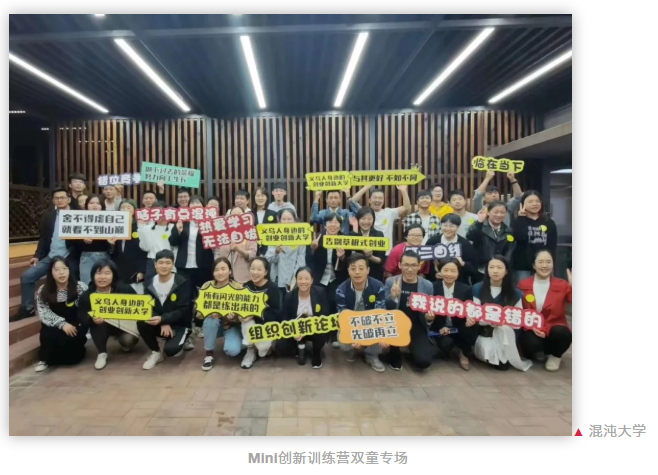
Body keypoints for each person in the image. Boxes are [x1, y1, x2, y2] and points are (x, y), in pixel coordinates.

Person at [14, 187, 72, 321]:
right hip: (51, 256)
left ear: (68, 199)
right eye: (56, 198)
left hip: (69, 257)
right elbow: (44, 239)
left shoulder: (78, 214)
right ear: (53, 200)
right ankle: (28, 308)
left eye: (62, 197)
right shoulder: (48, 216)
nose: (59, 200)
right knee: (27, 276)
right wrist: (37, 256)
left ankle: (70, 311)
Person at [77, 259, 140, 370]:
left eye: (107, 273)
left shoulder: (124, 289)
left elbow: (138, 307)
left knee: (128, 341)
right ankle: (102, 353)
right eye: (99, 273)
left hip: (122, 325)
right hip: (100, 326)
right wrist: (92, 319)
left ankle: (122, 340)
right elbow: (82, 315)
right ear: (93, 275)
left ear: (113, 275)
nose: (102, 277)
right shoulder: (87, 295)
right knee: (98, 323)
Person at [472, 256, 532, 371]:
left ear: (506, 271)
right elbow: (477, 318)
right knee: (493, 357)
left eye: (499, 268)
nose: (495, 271)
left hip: (506, 334)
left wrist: (502, 322)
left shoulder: (516, 293)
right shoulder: (477, 288)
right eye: (491, 267)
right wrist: (492, 320)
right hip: (486, 333)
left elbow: (518, 321)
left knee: (503, 360)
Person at [137, 250, 192, 370]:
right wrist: (162, 321)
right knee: (142, 321)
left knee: (172, 351)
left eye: (168, 263)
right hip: (159, 321)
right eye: (161, 263)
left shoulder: (182, 282)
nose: (164, 266)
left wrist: (163, 319)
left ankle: (184, 339)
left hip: (179, 324)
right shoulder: (149, 282)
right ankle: (156, 352)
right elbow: (147, 306)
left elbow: (183, 309)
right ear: (155, 264)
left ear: (173, 264)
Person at [518, 250, 572, 372]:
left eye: (548, 262)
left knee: (562, 333)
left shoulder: (562, 285)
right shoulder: (523, 284)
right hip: (532, 326)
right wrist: (531, 327)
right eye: (541, 262)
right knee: (528, 342)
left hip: (555, 326)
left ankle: (555, 355)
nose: (544, 265)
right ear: (534, 265)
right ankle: (540, 351)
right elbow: (519, 310)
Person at [33, 257, 89, 372]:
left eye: (64, 268)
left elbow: (86, 308)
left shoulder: (80, 287)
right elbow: (44, 312)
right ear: (51, 272)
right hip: (54, 325)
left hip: (74, 326)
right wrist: (62, 324)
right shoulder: (43, 290)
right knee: (47, 334)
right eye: (57, 269)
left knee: (73, 357)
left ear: (69, 270)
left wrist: (79, 324)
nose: (61, 272)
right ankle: (44, 360)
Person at [169, 195, 214, 337]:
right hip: (184, 267)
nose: (195, 207)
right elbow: (172, 241)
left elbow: (215, 243)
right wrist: (178, 231)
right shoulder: (182, 222)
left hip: (203, 266)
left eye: (198, 205)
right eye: (192, 205)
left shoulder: (209, 223)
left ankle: (200, 325)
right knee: (185, 299)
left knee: (203, 297)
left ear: (203, 208)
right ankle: (186, 328)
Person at [336, 253, 387, 372]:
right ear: (348, 271)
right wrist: (356, 335)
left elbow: (380, 314)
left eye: (361, 268)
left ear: (368, 270)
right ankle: (352, 349)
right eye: (353, 268)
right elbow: (343, 317)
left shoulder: (378, 286)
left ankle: (372, 355)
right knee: (343, 340)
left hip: (371, 324)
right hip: (352, 325)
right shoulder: (341, 290)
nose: (357, 272)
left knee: (381, 332)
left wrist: (368, 335)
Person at [384, 250, 435, 371]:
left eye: (413, 265)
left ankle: (411, 349)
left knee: (423, 362)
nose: (410, 269)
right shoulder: (391, 281)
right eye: (406, 265)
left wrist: (429, 319)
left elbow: (428, 312)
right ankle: (394, 350)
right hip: (396, 325)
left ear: (419, 266)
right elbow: (386, 308)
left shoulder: (427, 285)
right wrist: (393, 297)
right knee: (395, 361)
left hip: (417, 325)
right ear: (400, 265)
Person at [200, 258, 250, 370]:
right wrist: (209, 313)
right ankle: (209, 355)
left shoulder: (238, 288)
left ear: (230, 271)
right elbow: (198, 311)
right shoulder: (207, 286)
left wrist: (234, 316)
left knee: (232, 351)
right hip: (214, 325)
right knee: (210, 320)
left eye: (223, 269)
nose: (220, 272)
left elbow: (244, 313)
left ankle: (244, 344)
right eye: (216, 270)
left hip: (231, 326)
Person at [307, 213, 348, 348]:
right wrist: (312, 250)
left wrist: (342, 257)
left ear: (340, 226)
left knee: (333, 301)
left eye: (336, 222)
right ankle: (320, 333)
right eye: (330, 222)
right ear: (325, 225)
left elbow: (349, 263)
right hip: (319, 278)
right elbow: (309, 261)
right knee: (319, 303)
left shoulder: (345, 239)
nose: (333, 225)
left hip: (336, 278)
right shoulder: (317, 238)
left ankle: (334, 333)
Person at [431, 258, 479, 371]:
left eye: (453, 271)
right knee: (443, 348)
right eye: (446, 270)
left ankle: (464, 353)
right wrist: (440, 327)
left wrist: (469, 320)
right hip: (440, 326)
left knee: (471, 326)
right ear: (440, 271)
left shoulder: (466, 289)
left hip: (459, 326)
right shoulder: (433, 287)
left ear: (458, 273)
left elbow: (470, 310)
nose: (449, 274)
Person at [278, 267, 330, 369]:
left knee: (323, 331)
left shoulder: (320, 292)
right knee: (281, 345)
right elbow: (284, 318)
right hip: (296, 328)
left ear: (312, 280)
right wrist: (293, 332)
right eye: (300, 278)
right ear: (296, 280)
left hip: (314, 328)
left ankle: (316, 352)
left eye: (307, 278)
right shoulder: (289, 296)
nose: (303, 282)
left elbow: (325, 315)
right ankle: (298, 346)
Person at [511, 190, 558, 285]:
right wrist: (521, 218)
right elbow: (520, 237)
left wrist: (550, 263)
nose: (535, 204)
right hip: (523, 266)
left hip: (543, 264)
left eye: (537, 201)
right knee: (523, 290)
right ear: (522, 204)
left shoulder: (549, 222)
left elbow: (552, 246)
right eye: (530, 201)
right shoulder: (517, 221)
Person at [350, 185, 411, 255]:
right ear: (369, 200)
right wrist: (367, 186)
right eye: (375, 198)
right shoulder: (364, 212)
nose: (377, 200)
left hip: (386, 253)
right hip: (366, 252)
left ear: (383, 201)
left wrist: (403, 191)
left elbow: (407, 207)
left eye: (380, 198)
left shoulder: (389, 212)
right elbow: (352, 201)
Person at [67, 194, 112, 285]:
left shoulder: (110, 219)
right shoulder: (79, 219)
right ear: (86, 205)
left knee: (104, 283)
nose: (95, 205)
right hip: (86, 256)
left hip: (104, 256)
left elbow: (113, 247)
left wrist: (111, 243)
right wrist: (83, 241)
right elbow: (72, 243)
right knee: (86, 284)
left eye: (98, 203)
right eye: (91, 203)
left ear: (102, 206)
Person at [467, 201, 515, 283]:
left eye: (502, 212)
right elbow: (471, 236)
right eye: (496, 212)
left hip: (500, 270)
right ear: (488, 212)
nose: (499, 215)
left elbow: (510, 251)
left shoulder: (509, 230)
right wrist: (479, 222)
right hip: (481, 269)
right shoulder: (480, 226)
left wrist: (504, 267)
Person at [265, 209, 306, 300]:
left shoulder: (300, 237)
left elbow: (301, 261)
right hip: (277, 279)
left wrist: (294, 279)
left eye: (289, 219)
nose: (286, 222)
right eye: (284, 219)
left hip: (294, 279)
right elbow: (268, 259)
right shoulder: (273, 236)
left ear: (294, 220)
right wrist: (276, 252)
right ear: (279, 221)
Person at [425, 214, 477, 285]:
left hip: (459, 282)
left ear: (458, 227)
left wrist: (463, 263)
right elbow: (426, 264)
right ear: (441, 225)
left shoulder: (465, 244)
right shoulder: (432, 241)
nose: (448, 229)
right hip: (435, 282)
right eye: (445, 225)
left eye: (452, 226)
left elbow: (473, 268)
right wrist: (435, 274)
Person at [214, 206, 258, 284]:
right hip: (224, 277)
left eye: (239, 214)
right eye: (233, 215)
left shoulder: (250, 232)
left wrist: (238, 249)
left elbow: (252, 255)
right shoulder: (222, 233)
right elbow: (217, 253)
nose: (236, 217)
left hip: (243, 277)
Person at [111, 199, 147, 286]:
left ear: (134, 210)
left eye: (128, 207)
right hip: (118, 266)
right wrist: (111, 244)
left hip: (134, 267)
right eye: (122, 207)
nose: (125, 210)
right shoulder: (114, 225)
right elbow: (112, 250)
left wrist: (141, 270)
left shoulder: (140, 225)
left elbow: (143, 250)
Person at [138, 203, 176, 284]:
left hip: (169, 261)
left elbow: (175, 247)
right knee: (150, 286)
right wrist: (141, 229)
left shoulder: (173, 227)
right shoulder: (147, 228)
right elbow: (145, 248)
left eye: (160, 212)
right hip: (152, 261)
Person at [348, 206, 386, 284]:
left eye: (369, 219)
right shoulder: (351, 235)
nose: (366, 222)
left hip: (374, 273)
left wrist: (370, 257)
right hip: (356, 274)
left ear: (373, 220)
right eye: (363, 218)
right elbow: (347, 258)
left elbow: (381, 260)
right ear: (358, 220)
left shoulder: (379, 235)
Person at [252, 187, 278, 255]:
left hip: (269, 251)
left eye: (262, 195)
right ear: (254, 198)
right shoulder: (249, 215)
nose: (260, 198)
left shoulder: (273, 214)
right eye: (258, 196)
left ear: (267, 198)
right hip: (253, 250)